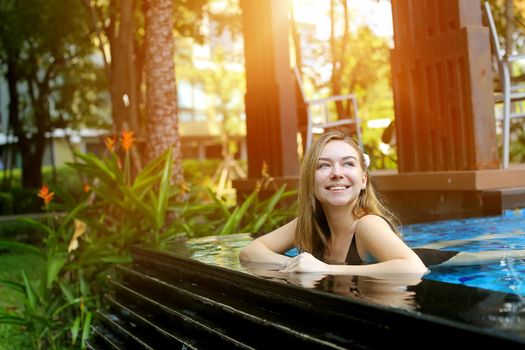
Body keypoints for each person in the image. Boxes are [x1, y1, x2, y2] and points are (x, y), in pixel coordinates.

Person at [239, 129, 525, 275]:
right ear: (310, 184)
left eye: (347, 164)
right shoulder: (308, 224)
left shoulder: (368, 225)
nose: (337, 172)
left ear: (363, 180)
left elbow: (414, 268)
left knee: (497, 255)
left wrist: (325, 269)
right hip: (397, 254)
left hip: (430, 262)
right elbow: (251, 253)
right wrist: (297, 265)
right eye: (324, 166)